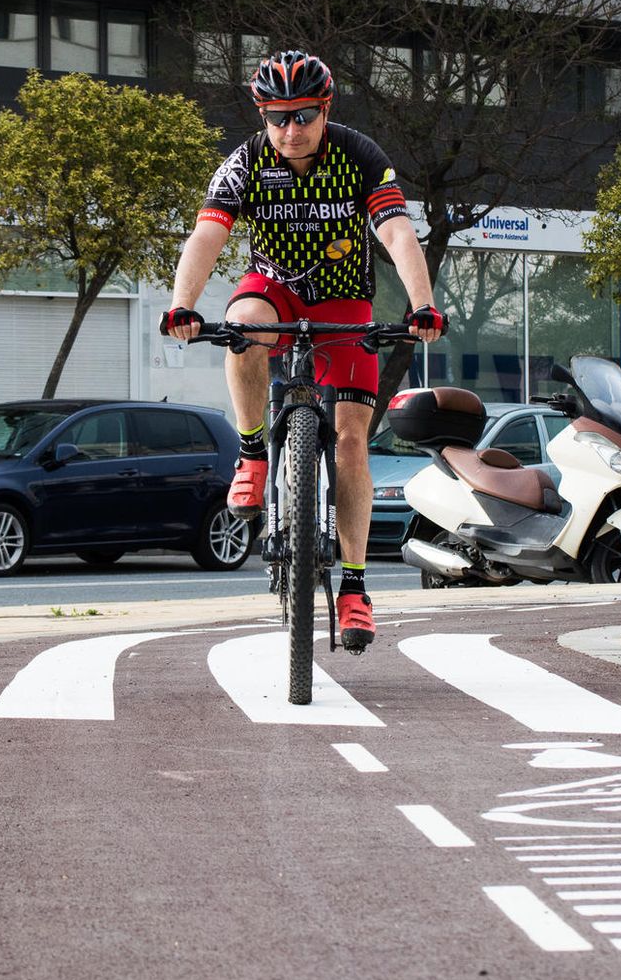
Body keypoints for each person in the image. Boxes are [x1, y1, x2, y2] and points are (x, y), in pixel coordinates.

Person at [161, 49, 445, 653]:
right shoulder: (246, 160)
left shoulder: (360, 156)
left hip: (343, 305)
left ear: (326, 109)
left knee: (349, 442)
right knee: (241, 327)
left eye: (304, 116)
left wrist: (421, 304)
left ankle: (354, 587)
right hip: (275, 293)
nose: (291, 130)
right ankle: (251, 453)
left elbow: (396, 232)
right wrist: (183, 303)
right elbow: (208, 233)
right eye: (278, 117)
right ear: (264, 116)